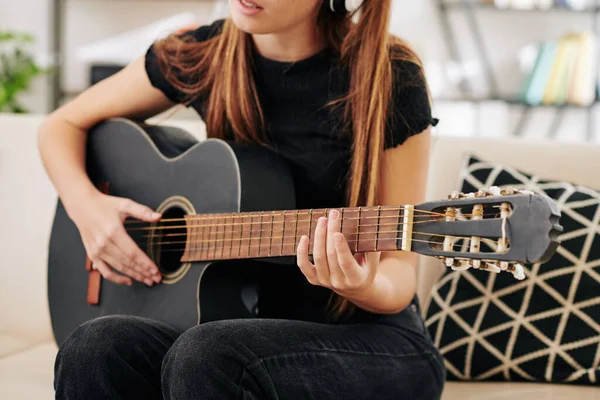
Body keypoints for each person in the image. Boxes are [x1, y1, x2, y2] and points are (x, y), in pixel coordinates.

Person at [39, 0, 446, 398]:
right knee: (94, 346)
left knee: (208, 354)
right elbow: (61, 125)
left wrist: (363, 284)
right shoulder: (203, 53)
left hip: (371, 338)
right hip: (239, 327)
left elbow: (400, 275)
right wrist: (90, 210)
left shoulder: (389, 72)